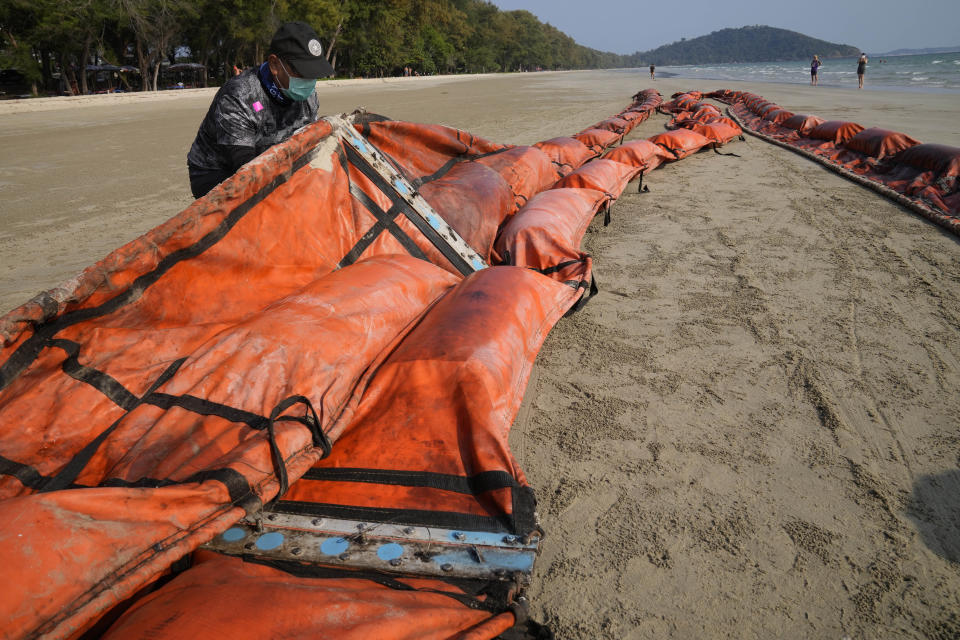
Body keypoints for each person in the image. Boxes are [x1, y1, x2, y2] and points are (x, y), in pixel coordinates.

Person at [187, 21, 334, 199]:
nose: (309, 81)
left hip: (275, 157)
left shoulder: (308, 96)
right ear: (274, 65)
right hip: (217, 170)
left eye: (314, 74)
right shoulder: (239, 96)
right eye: (302, 72)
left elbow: (310, 141)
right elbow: (244, 167)